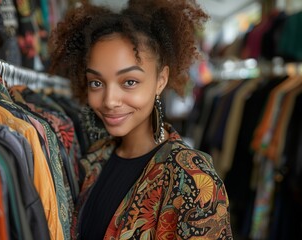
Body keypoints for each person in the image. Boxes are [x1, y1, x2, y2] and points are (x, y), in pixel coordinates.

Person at [48, 0, 233, 239]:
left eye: (129, 82)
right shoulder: (95, 158)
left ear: (161, 80)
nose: (109, 100)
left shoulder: (193, 179)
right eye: (97, 82)